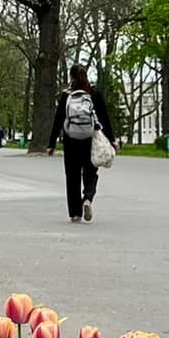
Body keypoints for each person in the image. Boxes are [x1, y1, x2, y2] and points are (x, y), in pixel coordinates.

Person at [47, 64, 116, 223]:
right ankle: (88, 198)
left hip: (70, 140)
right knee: (91, 172)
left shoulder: (66, 95)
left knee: (72, 176)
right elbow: (104, 117)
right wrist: (112, 140)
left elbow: (58, 120)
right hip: (89, 139)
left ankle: (75, 213)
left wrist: (51, 144)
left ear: (71, 77)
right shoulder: (93, 93)